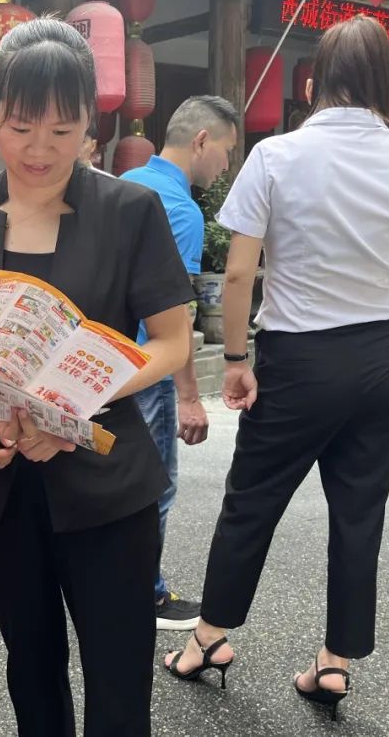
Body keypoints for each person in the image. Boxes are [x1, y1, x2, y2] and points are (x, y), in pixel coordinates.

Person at [163, 16, 389, 721]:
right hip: (380, 355)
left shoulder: (275, 156)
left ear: (312, 83)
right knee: (360, 510)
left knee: (253, 500)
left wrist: (235, 360)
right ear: (386, 83)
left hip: (299, 358)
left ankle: (208, 639)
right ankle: (334, 662)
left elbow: (240, 273)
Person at [0, 18, 194, 737]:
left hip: (109, 487)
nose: (39, 150)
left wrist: (72, 402)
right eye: (20, 127)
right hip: (2, 486)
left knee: (119, 676)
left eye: (62, 130)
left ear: (89, 125)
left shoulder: (130, 211)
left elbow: (172, 344)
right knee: (31, 668)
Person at [119, 95, 239, 630]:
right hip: (148, 368)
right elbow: (177, 314)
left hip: (105, 362)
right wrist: (189, 396)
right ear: (201, 141)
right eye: (226, 151)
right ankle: (146, 595)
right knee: (155, 487)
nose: (226, 166)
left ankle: (109, 584)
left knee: (114, 479)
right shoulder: (182, 211)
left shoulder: (125, 184)